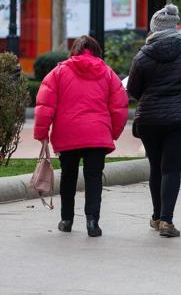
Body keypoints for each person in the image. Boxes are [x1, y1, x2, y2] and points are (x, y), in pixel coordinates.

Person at [34, 36, 128, 237]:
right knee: (94, 178)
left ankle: (66, 220)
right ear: (96, 51)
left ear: (74, 51)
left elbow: (45, 105)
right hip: (97, 134)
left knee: (68, 177)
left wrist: (41, 133)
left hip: (68, 134)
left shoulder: (58, 73)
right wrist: (113, 133)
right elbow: (120, 107)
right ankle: (92, 222)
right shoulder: (108, 74)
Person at [127, 4, 181, 238]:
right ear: (175, 26)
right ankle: (167, 222)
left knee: (156, 167)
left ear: (154, 28)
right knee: (171, 169)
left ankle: (156, 215)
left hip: (150, 119)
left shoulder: (142, 55)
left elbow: (133, 90)